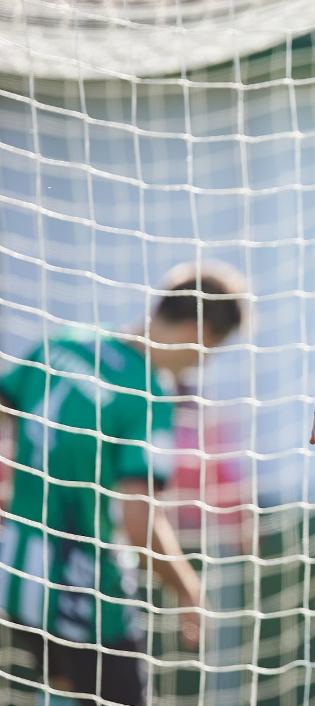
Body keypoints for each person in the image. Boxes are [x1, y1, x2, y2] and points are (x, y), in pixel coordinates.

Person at [0, 262, 246, 706]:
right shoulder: (147, 394)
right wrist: (189, 590)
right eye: (206, 352)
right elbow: (140, 524)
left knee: (62, 690)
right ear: (199, 330)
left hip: (17, 573)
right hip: (86, 590)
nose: (199, 364)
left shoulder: (65, 341)